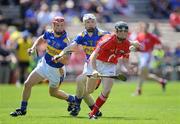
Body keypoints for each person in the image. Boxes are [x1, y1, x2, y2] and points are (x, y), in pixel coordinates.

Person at [10, 16, 75, 117]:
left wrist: (59, 58)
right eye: (57, 25)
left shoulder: (66, 41)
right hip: (44, 64)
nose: (59, 28)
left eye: (61, 25)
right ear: (53, 25)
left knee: (53, 93)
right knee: (27, 84)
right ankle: (23, 109)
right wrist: (33, 47)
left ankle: (72, 99)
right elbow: (41, 38)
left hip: (57, 70)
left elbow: (66, 61)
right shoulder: (49, 33)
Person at [53, 13, 109, 117]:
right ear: (84, 24)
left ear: (95, 22)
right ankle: (95, 110)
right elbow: (70, 47)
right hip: (88, 66)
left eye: (92, 22)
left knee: (80, 82)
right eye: (88, 22)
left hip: (100, 67)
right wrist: (60, 55)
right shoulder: (82, 35)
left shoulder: (103, 34)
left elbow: (116, 41)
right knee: (83, 90)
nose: (90, 24)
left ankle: (76, 105)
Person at [85, 21, 137, 119]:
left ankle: (93, 113)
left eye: (125, 31)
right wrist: (95, 70)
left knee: (107, 90)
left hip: (110, 65)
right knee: (89, 91)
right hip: (97, 62)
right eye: (120, 31)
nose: (123, 33)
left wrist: (129, 68)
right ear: (116, 31)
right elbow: (93, 56)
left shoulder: (127, 44)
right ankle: (98, 79)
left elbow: (125, 60)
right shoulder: (107, 40)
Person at [133, 22, 167, 96]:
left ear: (147, 27)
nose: (144, 28)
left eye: (145, 27)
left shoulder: (151, 36)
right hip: (141, 56)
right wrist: (134, 49)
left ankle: (138, 90)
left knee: (141, 72)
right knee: (145, 75)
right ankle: (161, 81)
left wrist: (159, 50)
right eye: (143, 27)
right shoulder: (139, 36)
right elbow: (135, 45)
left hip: (147, 55)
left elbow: (160, 43)